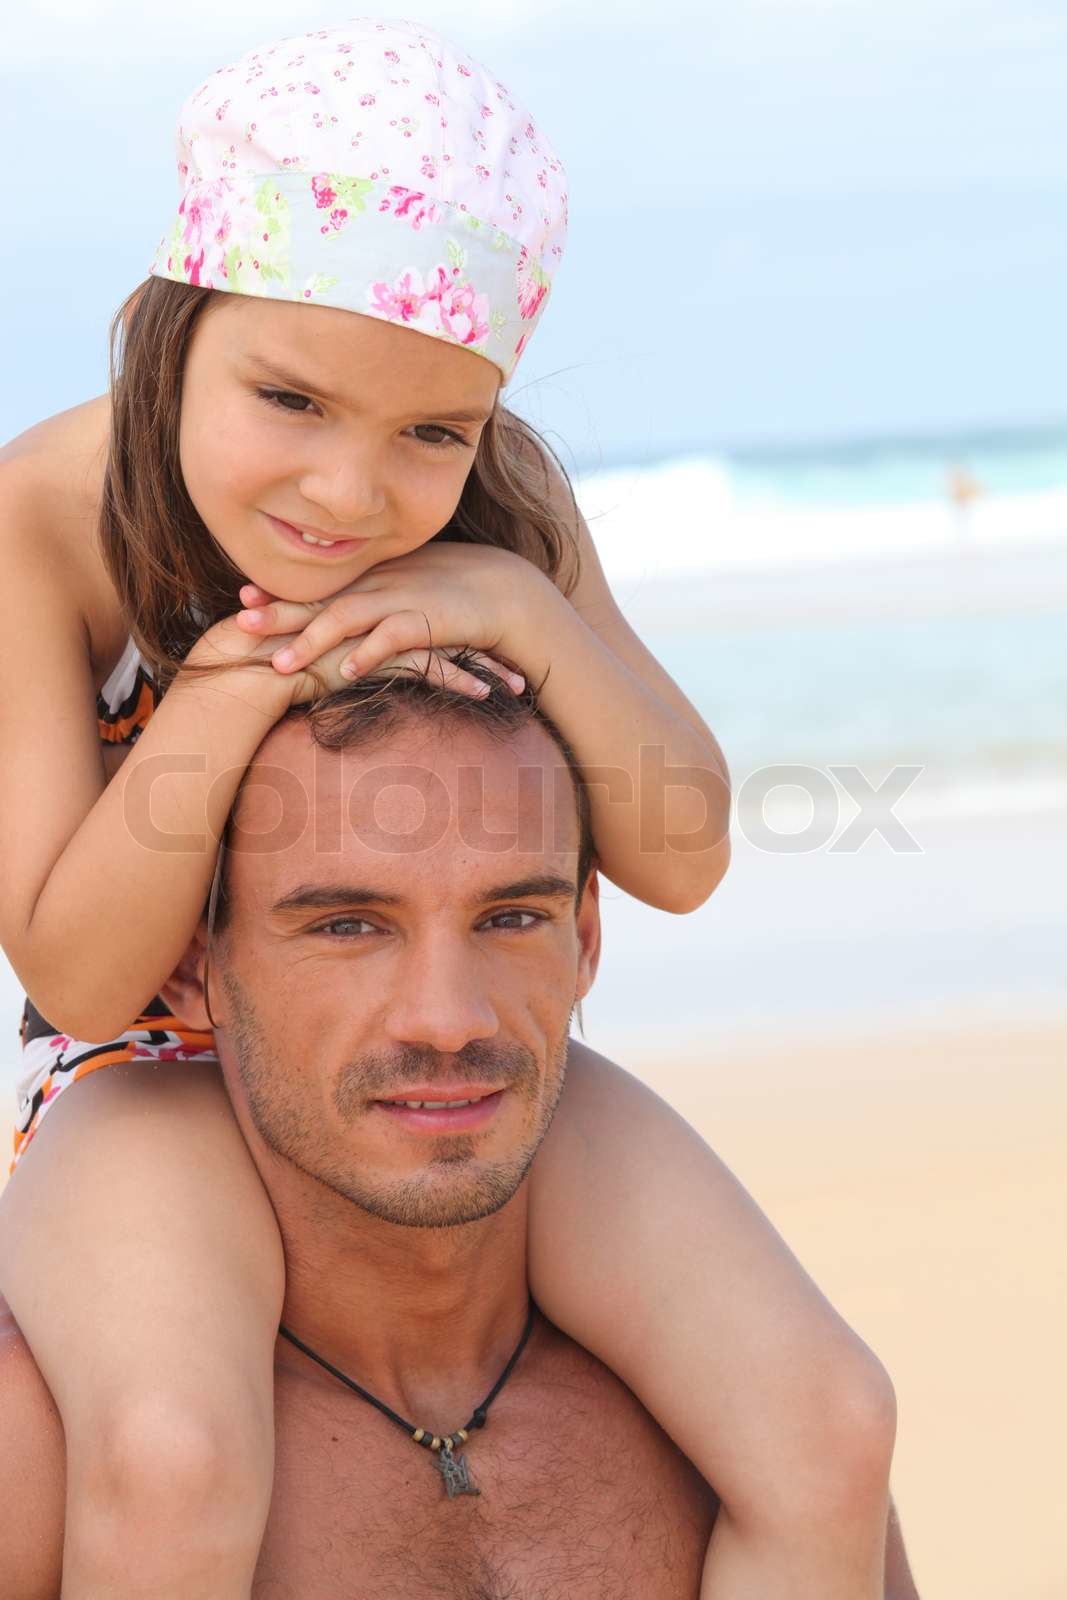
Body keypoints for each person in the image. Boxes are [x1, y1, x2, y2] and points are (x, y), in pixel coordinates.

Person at [0, 20, 896, 1600]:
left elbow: (678, 856)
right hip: (147, 1071)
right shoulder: (48, 520)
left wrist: (525, 606)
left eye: (430, 431)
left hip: (445, 1032)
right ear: (165, 332)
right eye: (289, 398)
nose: (348, 494)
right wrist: (224, 690)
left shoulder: (501, 515)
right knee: (171, 1457)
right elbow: (71, 971)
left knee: (825, 1424)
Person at [0, 671, 920, 1598]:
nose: (448, 1019)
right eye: (348, 925)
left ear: (586, 938)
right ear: (192, 969)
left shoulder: (742, 1436)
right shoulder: (47, 1461)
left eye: (511, 916)